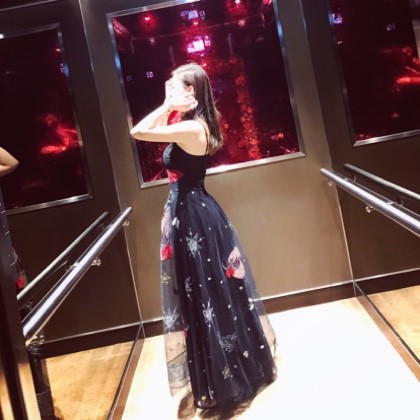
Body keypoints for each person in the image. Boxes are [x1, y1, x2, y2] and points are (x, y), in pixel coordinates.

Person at [131, 63, 277, 412]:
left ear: (191, 91)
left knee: (206, 297)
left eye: (173, 86)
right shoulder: (192, 123)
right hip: (193, 213)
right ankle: (224, 371)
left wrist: (166, 106)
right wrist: (170, 105)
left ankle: (226, 377)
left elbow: (138, 132)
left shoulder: (192, 128)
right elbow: (148, 131)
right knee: (205, 294)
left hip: (193, 217)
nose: (167, 91)